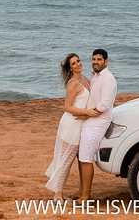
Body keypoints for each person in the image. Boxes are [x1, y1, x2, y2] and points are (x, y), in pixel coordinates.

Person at [45, 53, 93, 200]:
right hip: (71, 125)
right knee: (65, 160)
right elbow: (67, 107)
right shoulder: (73, 83)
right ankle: (57, 194)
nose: (78, 64)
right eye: (74, 63)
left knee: (78, 158)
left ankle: (80, 191)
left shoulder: (84, 78)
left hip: (80, 124)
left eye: (78, 61)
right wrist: (86, 112)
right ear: (70, 68)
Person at [78, 49, 116, 202]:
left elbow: (105, 104)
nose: (95, 62)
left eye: (99, 59)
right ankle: (81, 191)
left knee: (86, 158)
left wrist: (86, 113)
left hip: (98, 123)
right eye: (93, 59)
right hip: (89, 121)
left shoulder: (108, 79)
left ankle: (86, 197)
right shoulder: (97, 77)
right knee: (81, 157)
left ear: (106, 62)